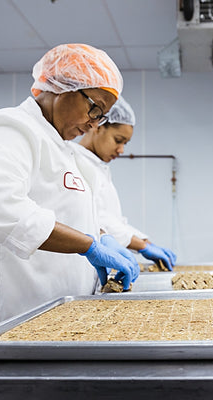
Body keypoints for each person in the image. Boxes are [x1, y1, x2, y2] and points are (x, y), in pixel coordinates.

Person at [0, 43, 141, 400]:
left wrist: (100, 237)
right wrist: (87, 246)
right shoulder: (8, 128)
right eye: (94, 108)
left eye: (102, 117)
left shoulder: (63, 149)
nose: (94, 122)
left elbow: (70, 214)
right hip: (1, 332)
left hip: (48, 333)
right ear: (60, 87)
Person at [74, 97, 177, 277]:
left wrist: (146, 242)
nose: (121, 150)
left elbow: (114, 221)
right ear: (98, 125)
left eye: (125, 144)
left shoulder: (99, 168)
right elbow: (97, 220)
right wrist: (142, 246)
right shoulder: (75, 162)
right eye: (118, 140)